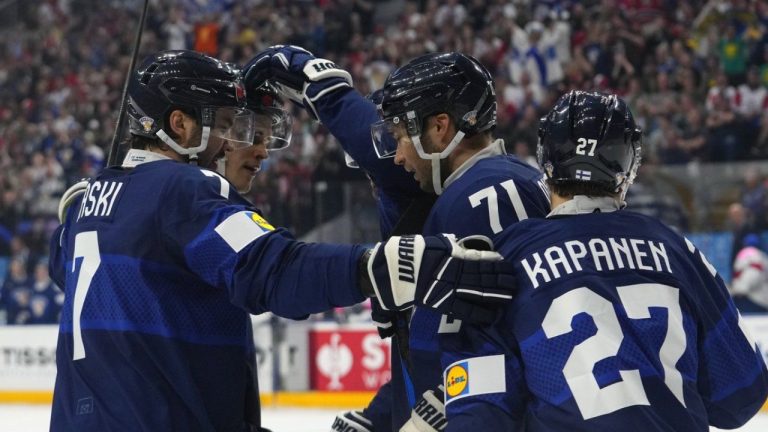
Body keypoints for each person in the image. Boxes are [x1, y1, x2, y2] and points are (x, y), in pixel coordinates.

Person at [48, 50, 516, 432]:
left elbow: (61, 264)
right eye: (232, 125)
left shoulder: (88, 209)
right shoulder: (186, 189)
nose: (244, 145)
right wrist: (377, 267)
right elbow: (272, 269)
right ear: (180, 125)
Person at [244, 47, 551, 431]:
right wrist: (383, 416)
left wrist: (449, 407)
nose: (396, 158)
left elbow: (528, 339)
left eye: (400, 137)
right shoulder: (464, 192)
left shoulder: (491, 190)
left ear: (439, 128)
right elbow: (439, 349)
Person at [438, 90, 768, 431]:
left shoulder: (505, 257)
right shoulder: (675, 249)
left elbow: (480, 414)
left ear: (546, 158)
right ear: (628, 165)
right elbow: (742, 396)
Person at [731, 233, 768, 313]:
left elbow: (753, 272)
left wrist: (741, 290)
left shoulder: (749, 253)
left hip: (752, 299)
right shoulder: (762, 255)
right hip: (761, 299)